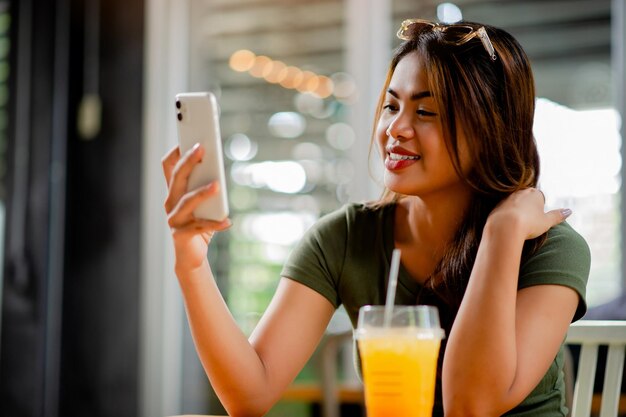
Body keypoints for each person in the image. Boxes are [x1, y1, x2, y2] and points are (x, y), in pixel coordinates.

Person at [162, 19, 590, 417]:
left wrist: (502, 234)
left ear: (488, 131)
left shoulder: (549, 248)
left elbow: (470, 406)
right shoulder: (346, 238)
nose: (395, 129)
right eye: (391, 106)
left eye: (425, 112)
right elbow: (249, 394)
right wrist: (192, 264)